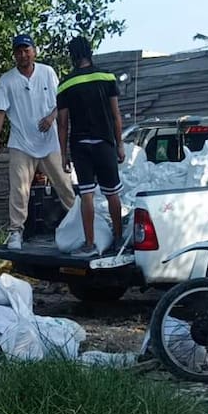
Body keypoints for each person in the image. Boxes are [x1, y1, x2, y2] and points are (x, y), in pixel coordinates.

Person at [0, 33, 75, 250]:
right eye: (19, 51)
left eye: (26, 50)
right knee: (19, 190)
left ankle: (80, 225)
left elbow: (61, 101)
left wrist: (51, 118)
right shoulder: (7, 80)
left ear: (34, 51)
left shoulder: (47, 72)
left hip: (49, 142)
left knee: (64, 185)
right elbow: (0, 109)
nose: (23, 54)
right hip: (21, 143)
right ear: (14, 55)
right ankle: (15, 232)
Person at [57, 36, 126, 258]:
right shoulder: (106, 77)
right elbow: (116, 116)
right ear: (90, 51)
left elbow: (63, 124)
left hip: (80, 146)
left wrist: (63, 154)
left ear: (72, 56)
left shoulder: (66, 83)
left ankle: (89, 243)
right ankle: (117, 238)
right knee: (112, 193)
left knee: (87, 195)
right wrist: (120, 145)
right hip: (104, 143)